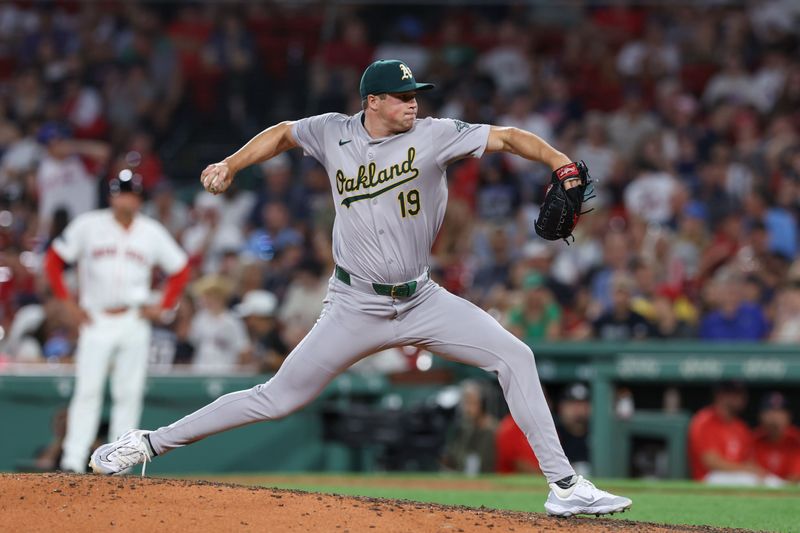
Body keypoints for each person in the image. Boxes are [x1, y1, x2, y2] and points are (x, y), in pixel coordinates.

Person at [90, 59, 631, 517]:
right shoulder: (332, 131)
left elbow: (510, 137)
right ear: (372, 101)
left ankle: (565, 488)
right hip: (353, 303)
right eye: (401, 97)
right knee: (277, 398)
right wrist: (231, 164)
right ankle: (147, 444)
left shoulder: (436, 135)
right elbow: (281, 132)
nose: (413, 103)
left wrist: (560, 163)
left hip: (421, 299)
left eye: (415, 95)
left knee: (515, 356)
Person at [43, 169, 190, 473]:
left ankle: (118, 464)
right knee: (88, 391)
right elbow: (53, 260)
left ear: (138, 199)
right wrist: (66, 303)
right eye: (121, 192)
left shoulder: (151, 231)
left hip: (134, 319)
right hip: (95, 319)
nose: (126, 198)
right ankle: (72, 461)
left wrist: (163, 306)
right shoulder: (89, 225)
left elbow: (180, 268)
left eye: (132, 193)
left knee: (129, 393)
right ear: (111, 196)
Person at [687, 381, 765, 485]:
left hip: (738, 475)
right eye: (734, 393)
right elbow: (711, 462)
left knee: (773, 482)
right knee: (749, 480)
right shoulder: (705, 421)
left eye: (741, 393)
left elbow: (748, 460)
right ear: (720, 395)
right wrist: (745, 469)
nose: (739, 397)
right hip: (709, 478)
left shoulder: (740, 427)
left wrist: (755, 471)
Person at [440, 380, 497, 475]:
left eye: (472, 403)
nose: (467, 409)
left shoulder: (491, 430)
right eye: (465, 403)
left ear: (483, 404)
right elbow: (453, 458)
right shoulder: (463, 427)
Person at [753, 392, 800, 483]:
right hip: (762, 489)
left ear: (788, 416)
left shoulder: (796, 440)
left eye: (780, 412)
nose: (774, 417)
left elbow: (795, 477)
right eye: (770, 411)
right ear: (761, 415)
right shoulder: (754, 439)